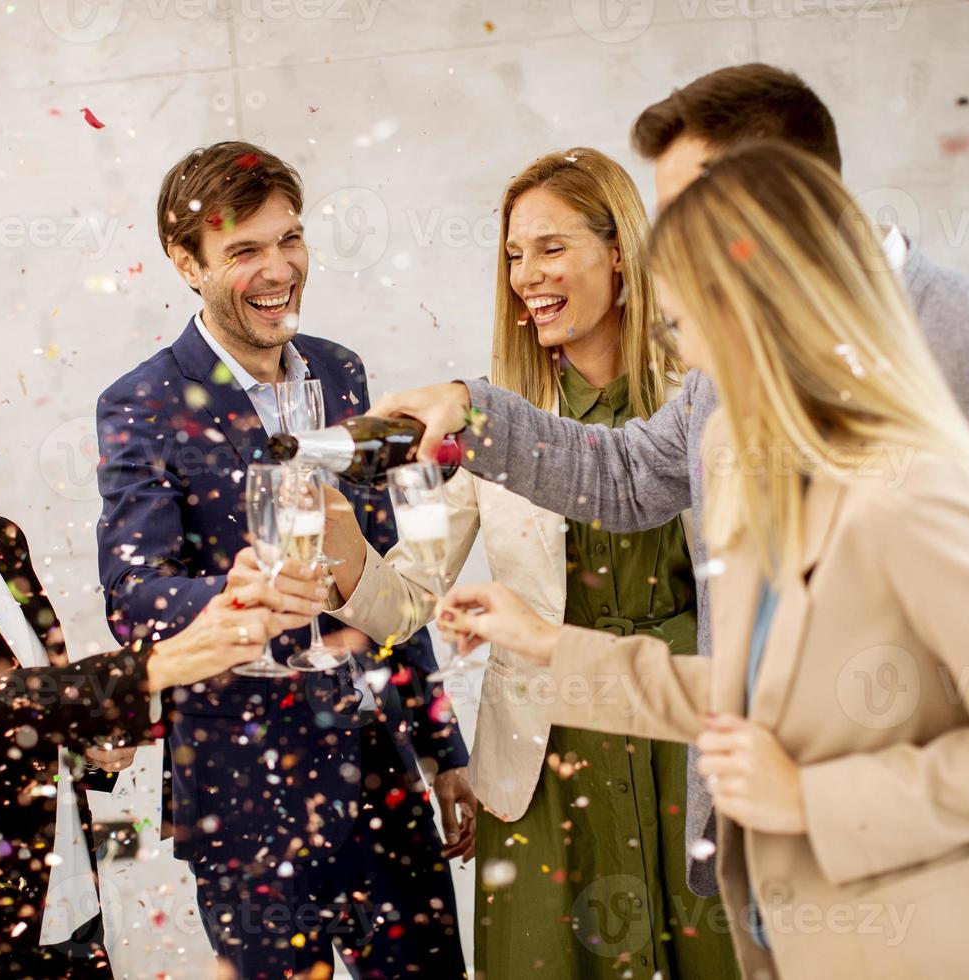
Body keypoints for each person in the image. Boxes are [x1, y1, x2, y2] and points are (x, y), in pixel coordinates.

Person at [370, 63, 969, 976]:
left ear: (786, 207)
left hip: (955, 915)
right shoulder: (730, 421)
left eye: (699, 218)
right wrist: (544, 633)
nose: (672, 260)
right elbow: (734, 654)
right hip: (799, 916)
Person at [317, 147, 736, 978]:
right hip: (545, 766)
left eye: (550, 248)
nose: (525, 276)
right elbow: (405, 601)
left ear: (620, 250)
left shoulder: (704, 393)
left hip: (688, 736)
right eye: (513, 255)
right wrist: (340, 544)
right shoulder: (484, 417)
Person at [0, 312, 313, 977]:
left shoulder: (2, 542)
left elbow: (42, 716)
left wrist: (100, 754)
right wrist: (158, 665)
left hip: (60, 909)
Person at [94, 141, 474, 979]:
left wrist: (442, 749)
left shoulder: (342, 372)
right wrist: (230, 594)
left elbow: (385, 571)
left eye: (289, 239)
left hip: (377, 768)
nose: (279, 269)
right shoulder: (141, 403)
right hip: (241, 790)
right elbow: (132, 594)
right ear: (185, 263)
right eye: (244, 251)